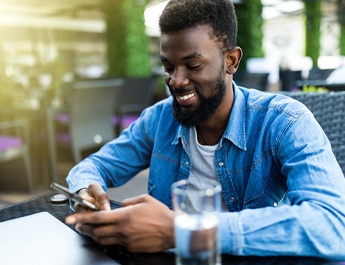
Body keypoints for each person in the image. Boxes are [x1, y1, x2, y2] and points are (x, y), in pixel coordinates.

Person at [65, 0, 345, 259]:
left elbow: (334, 225)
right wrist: (85, 193)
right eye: (168, 66)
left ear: (231, 61)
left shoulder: (285, 122)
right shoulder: (158, 119)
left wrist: (186, 230)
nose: (175, 81)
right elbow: (94, 166)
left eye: (193, 65)